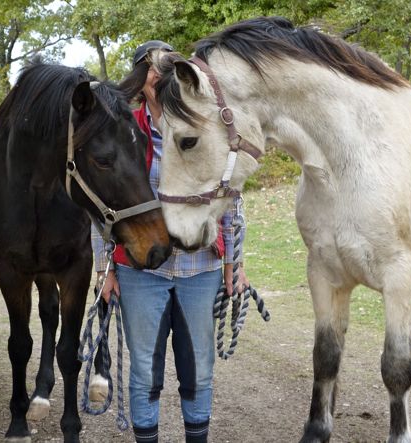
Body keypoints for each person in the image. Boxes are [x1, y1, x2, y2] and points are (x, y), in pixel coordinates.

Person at [91, 40, 250, 443]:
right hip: (140, 271)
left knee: (199, 369)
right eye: (150, 66)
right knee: (145, 370)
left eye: (167, 64)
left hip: (201, 268)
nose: (159, 73)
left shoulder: (203, 123)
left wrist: (234, 264)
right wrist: (103, 269)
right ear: (137, 79)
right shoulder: (123, 130)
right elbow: (104, 204)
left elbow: (229, 199)